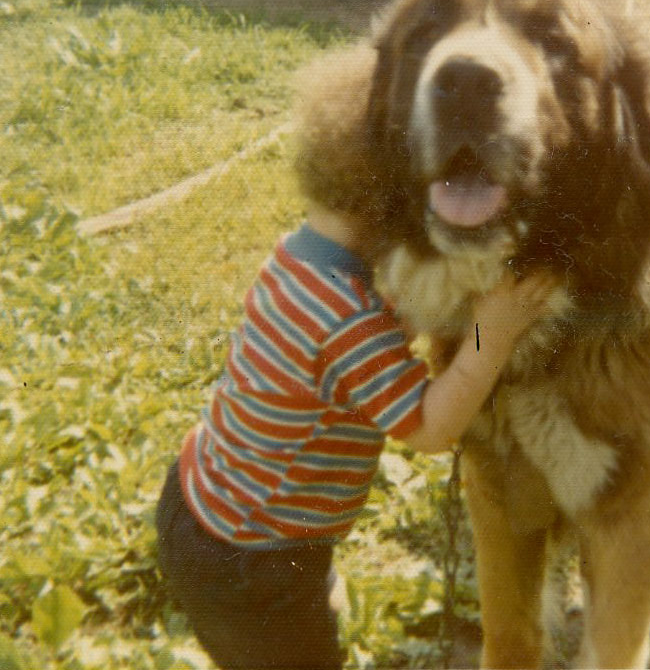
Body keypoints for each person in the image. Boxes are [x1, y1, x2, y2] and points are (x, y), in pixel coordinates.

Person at [155, 53, 554, 670]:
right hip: (254, 563)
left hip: (203, 500)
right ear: (392, 204)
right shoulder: (348, 321)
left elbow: (357, 333)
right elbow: (429, 428)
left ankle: (301, 600)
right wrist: (490, 337)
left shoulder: (298, 259)